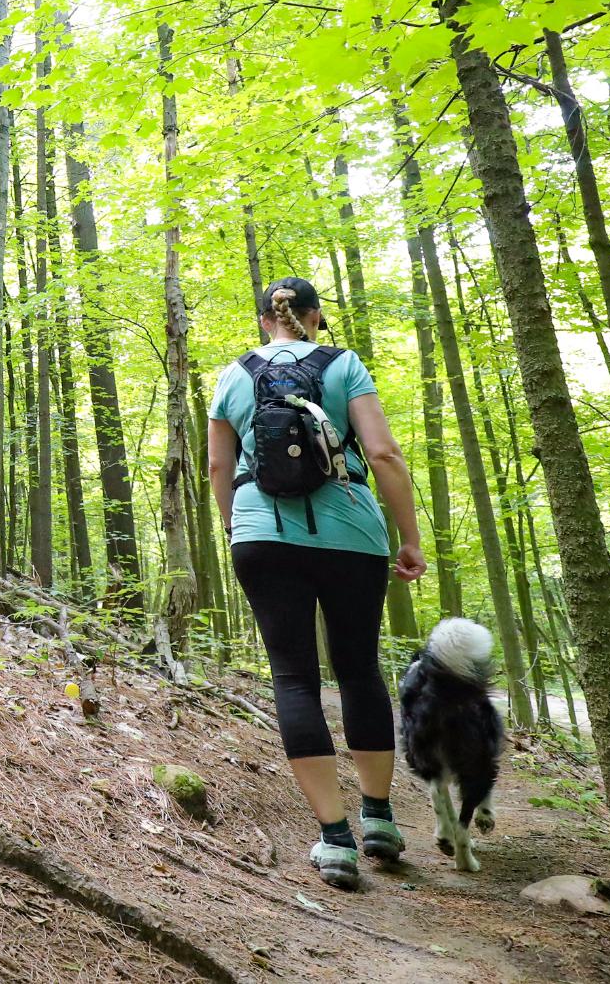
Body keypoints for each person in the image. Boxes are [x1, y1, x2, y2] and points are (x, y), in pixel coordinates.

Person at [207, 277, 426, 890]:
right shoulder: (344, 364)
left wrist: (236, 527)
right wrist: (408, 536)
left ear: (263, 323)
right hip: (352, 533)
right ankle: (378, 817)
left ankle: (334, 839)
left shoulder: (232, 375)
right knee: (358, 671)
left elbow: (219, 466)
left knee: (293, 676)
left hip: (261, 535)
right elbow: (383, 454)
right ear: (315, 316)